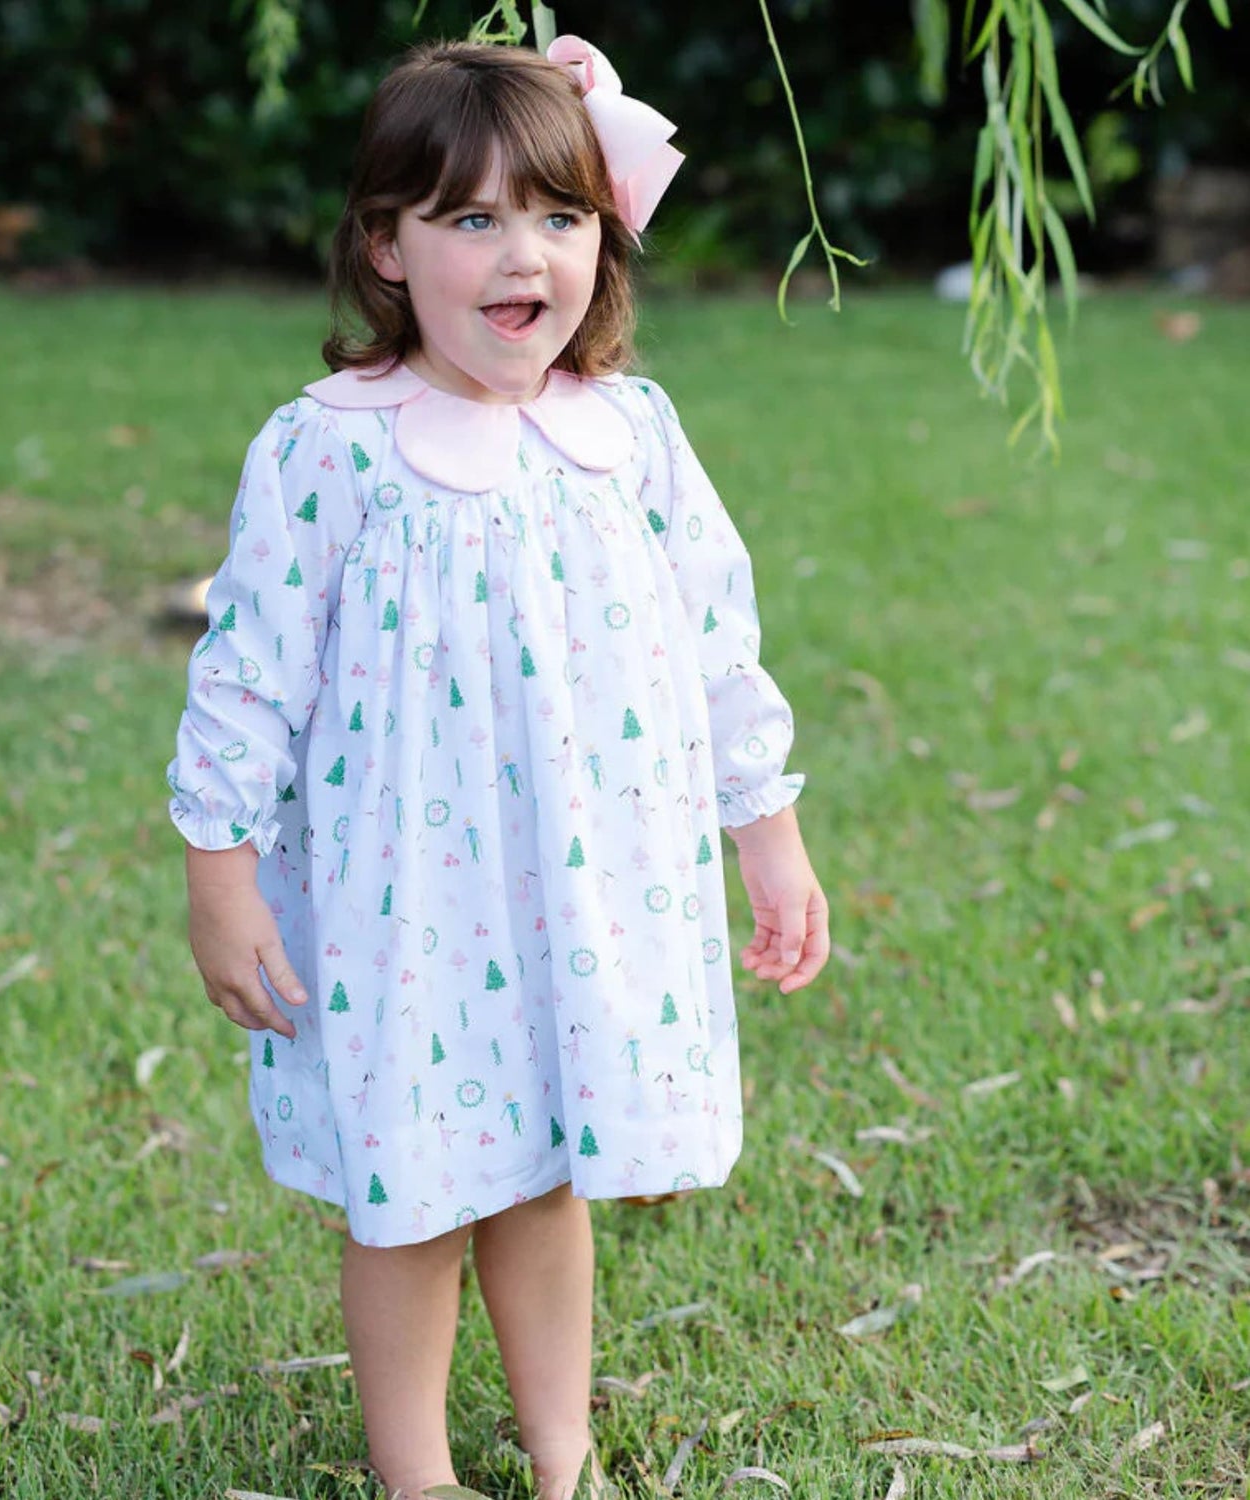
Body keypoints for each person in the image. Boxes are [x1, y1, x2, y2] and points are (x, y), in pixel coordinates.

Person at [166, 34, 829, 1500]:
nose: (522, 252)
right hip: (402, 903)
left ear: (605, 236)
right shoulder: (329, 451)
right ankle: (419, 1478)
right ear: (387, 247)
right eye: (470, 218)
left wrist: (765, 831)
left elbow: (719, 639)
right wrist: (219, 873)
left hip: (576, 895)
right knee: (410, 1197)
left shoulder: (630, 435)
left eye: (560, 214)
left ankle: (562, 1457)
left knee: (543, 1172)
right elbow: (250, 672)